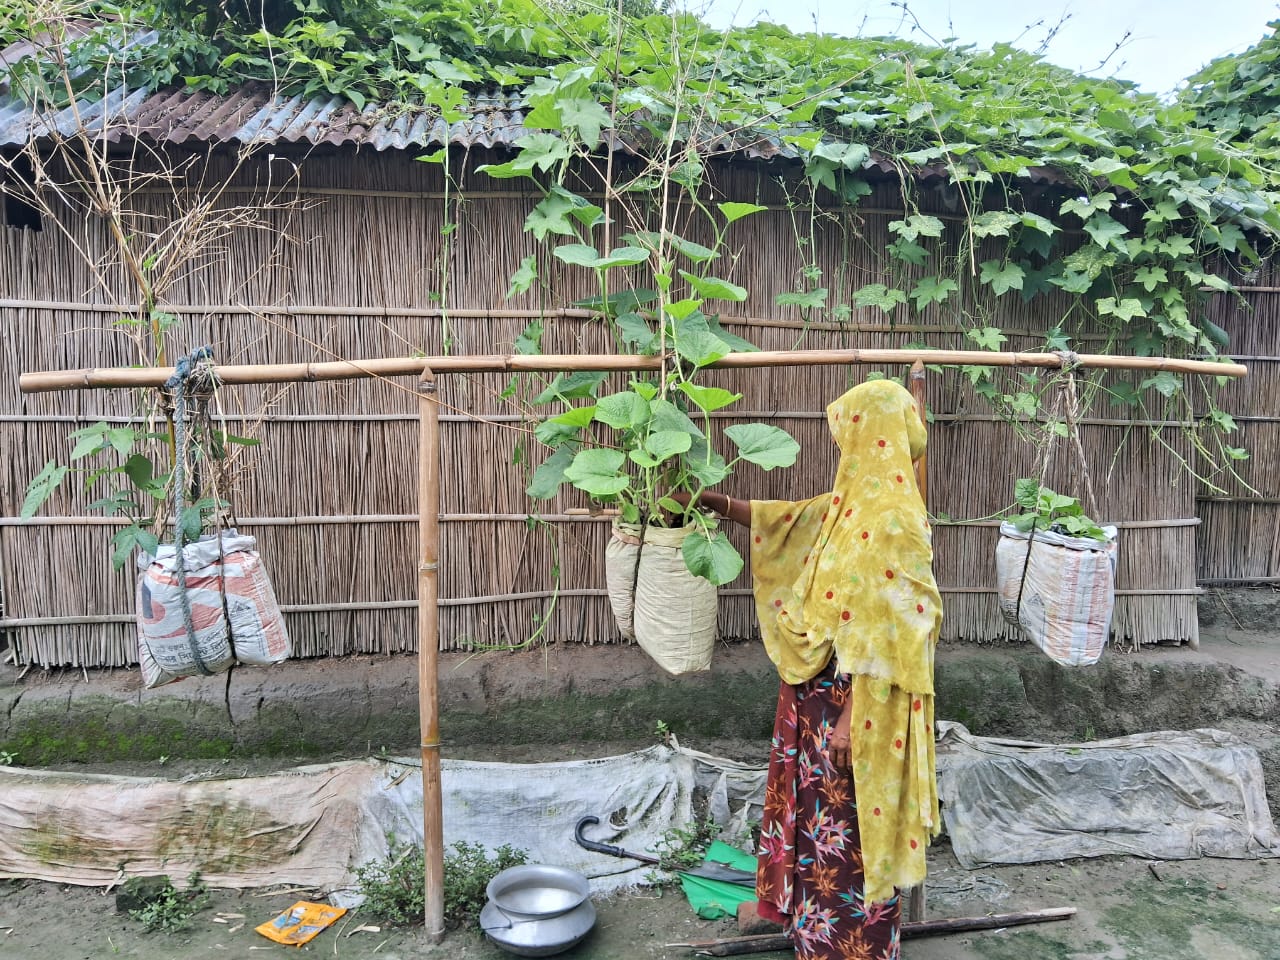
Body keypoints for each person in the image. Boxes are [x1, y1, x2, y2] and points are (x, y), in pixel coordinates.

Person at [676, 378, 943, 960]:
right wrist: (717, 504)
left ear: (869, 433)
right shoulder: (850, 505)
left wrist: (850, 717)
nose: (841, 442)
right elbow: (787, 522)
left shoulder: (896, 522)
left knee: (855, 832)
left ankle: (859, 949)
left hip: (859, 712)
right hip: (814, 702)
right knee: (819, 829)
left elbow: (899, 627)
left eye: (848, 430)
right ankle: (817, 942)